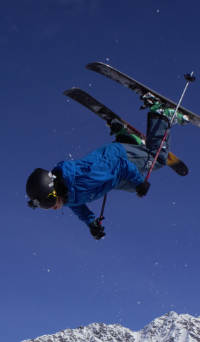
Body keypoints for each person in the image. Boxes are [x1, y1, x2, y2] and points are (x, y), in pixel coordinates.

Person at [25, 99, 187, 240]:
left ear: (54, 189)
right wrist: (91, 224)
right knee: (134, 188)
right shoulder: (66, 196)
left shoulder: (84, 176)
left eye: (50, 202)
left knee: (157, 161)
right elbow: (78, 206)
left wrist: (139, 181)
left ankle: (160, 114)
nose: (52, 208)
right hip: (112, 175)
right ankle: (125, 138)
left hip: (119, 156)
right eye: (46, 207)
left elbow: (119, 163)